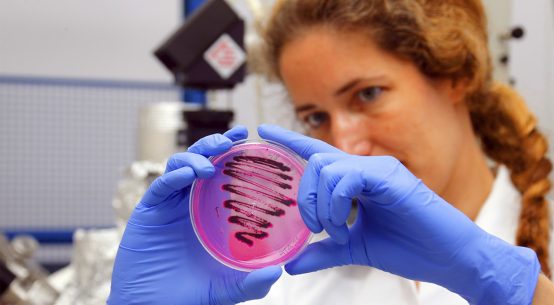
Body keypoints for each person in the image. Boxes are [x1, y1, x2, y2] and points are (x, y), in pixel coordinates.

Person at [107, 0, 554, 304]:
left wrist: (518, 289)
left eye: (368, 94)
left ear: (456, 74)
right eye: (316, 117)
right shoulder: (291, 277)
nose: (345, 144)